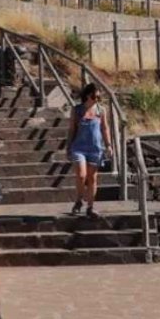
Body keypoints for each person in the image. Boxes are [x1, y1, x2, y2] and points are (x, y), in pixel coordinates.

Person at [66, 83, 112, 218]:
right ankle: (79, 200)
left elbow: (105, 128)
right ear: (87, 95)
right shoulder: (77, 110)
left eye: (99, 97)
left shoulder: (101, 111)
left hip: (95, 148)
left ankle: (90, 207)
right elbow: (72, 129)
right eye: (94, 96)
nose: (97, 99)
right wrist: (68, 146)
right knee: (81, 175)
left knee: (92, 178)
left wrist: (108, 145)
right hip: (79, 147)